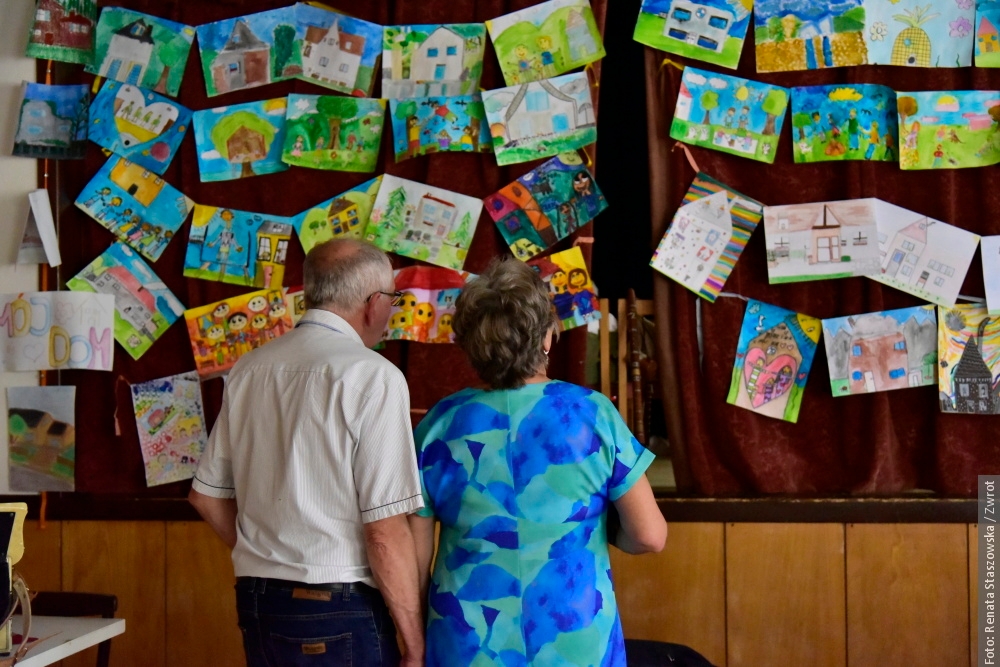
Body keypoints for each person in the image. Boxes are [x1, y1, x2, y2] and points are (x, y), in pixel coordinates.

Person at [408, 259, 667, 666]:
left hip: (468, 643)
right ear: (546, 336)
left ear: (470, 343)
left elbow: (414, 559)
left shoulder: (438, 426)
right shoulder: (592, 415)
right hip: (574, 637)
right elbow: (650, 535)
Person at [189, 239, 426, 667]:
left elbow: (206, 497)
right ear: (373, 303)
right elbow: (384, 531)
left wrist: (271, 557)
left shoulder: (248, 369)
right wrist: (415, 642)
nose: (390, 312)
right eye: (392, 301)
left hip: (259, 598)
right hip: (339, 604)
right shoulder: (374, 376)